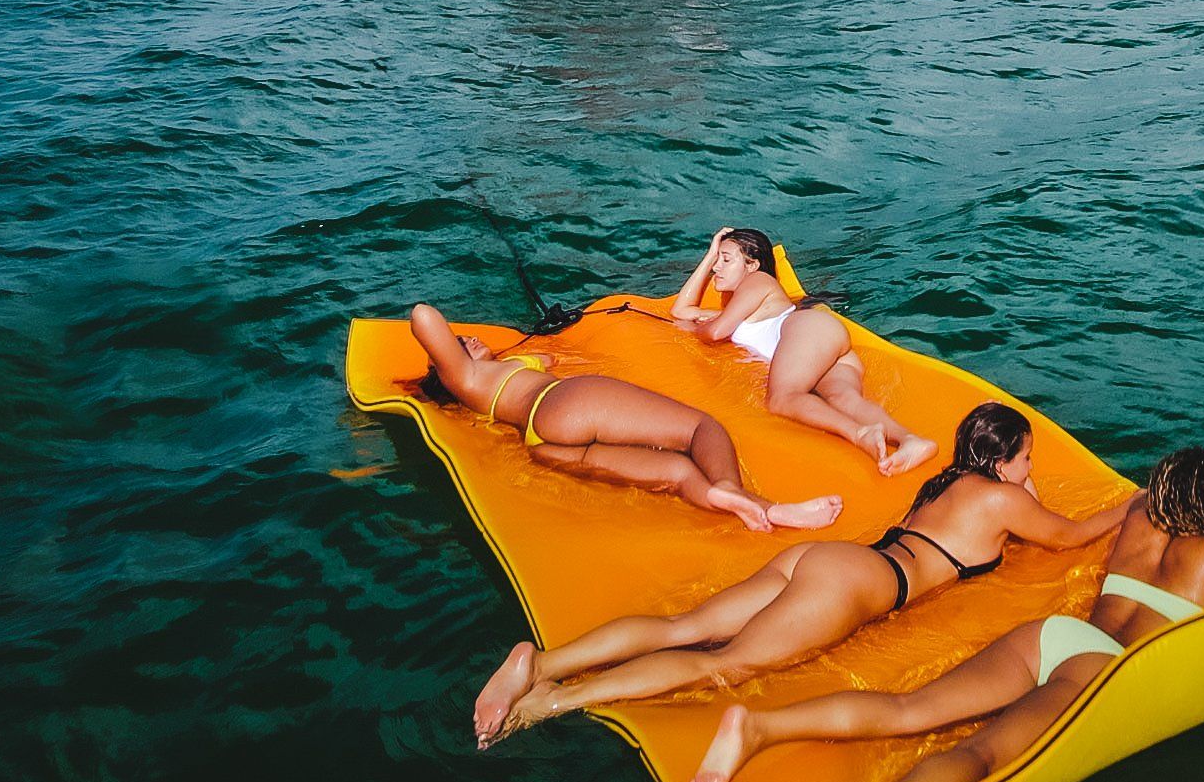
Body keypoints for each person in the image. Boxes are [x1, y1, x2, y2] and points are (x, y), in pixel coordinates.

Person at [472, 403, 1128, 749]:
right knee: (721, 666)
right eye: (1026, 457)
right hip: (856, 583)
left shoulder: (944, 486)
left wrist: (1018, 479)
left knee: (688, 627)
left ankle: (545, 660)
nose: (1028, 469)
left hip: (829, 559)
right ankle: (550, 703)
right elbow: (1069, 536)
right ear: (1006, 458)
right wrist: (1133, 501)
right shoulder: (1001, 496)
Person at [687, 447, 1204, 782]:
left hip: (1055, 638)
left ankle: (758, 728)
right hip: (1101, 669)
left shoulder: (1139, 521)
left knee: (908, 709)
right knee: (980, 756)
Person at [406, 304, 840, 536]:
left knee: (677, 472)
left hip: (542, 445)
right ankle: (731, 488)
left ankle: (772, 512)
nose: (471, 337)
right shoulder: (465, 378)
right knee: (701, 429)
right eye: (461, 341)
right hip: (564, 403)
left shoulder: (487, 381)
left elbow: (545, 354)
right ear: (446, 367)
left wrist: (500, 354)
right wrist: (445, 359)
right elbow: (423, 316)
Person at [672, 228, 937, 476]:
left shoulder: (757, 280)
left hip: (806, 329)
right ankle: (911, 441)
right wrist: (709, 255)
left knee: (781, 398)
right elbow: (680, 311)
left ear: (752, 265)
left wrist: (702, 327)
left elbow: (714, 333)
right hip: (819, 344)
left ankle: (859, 434)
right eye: (716, 260)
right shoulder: (737, 310)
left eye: (725, 259)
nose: (717, 267)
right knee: (845, 400)